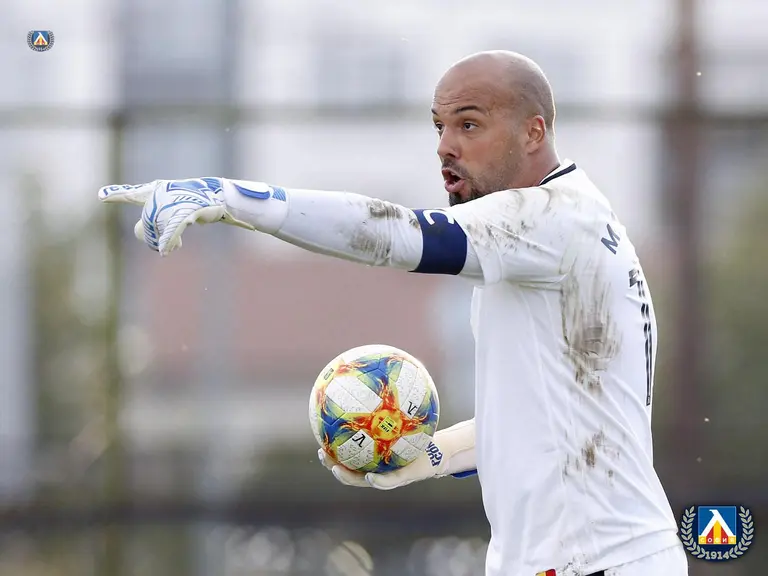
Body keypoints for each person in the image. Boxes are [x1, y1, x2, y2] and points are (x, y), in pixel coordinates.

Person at [99, 51, 688, 576]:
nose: (445, 146)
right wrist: (429, 457)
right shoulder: (557, 233)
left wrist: (232, 198)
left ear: (533, 132)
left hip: (601, 561)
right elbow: (540, 427)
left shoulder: (552, 220)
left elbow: (397, 235)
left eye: (469, 124)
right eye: (439, 126)